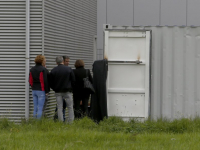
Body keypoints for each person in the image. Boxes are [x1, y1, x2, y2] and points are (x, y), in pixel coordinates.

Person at [50, 56, 75, 123]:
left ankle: (60, 121)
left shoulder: (53, 70)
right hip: (67, 91)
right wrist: (71, 89)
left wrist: (54, 88)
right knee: (70, 107)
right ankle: (71, 121)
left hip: (58, 91)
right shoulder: (69, 69)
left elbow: (50, 82)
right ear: (63, 61)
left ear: (56, 62)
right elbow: (73, 80)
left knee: (59, 107)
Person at [29, 55, 49, 119]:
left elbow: (30, 80)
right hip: (41, 90)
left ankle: (34, 122)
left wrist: (33, 87)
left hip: (34, 90)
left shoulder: (32, 69)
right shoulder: (43, 69)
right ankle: (38, 123)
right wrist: (47, 91)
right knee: (40, 108)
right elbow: (45, 81)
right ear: (42, 61)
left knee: (35, 107)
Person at [54, 55, 70, 121]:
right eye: (66, 61)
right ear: (63, 61)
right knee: (62, 105)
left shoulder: (68, 69)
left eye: (68, 61)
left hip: (64, 90)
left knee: (62, 104)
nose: (68, 63)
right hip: (60, 90)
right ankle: (60, 118)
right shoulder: (59, 70)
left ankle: (58, 117)